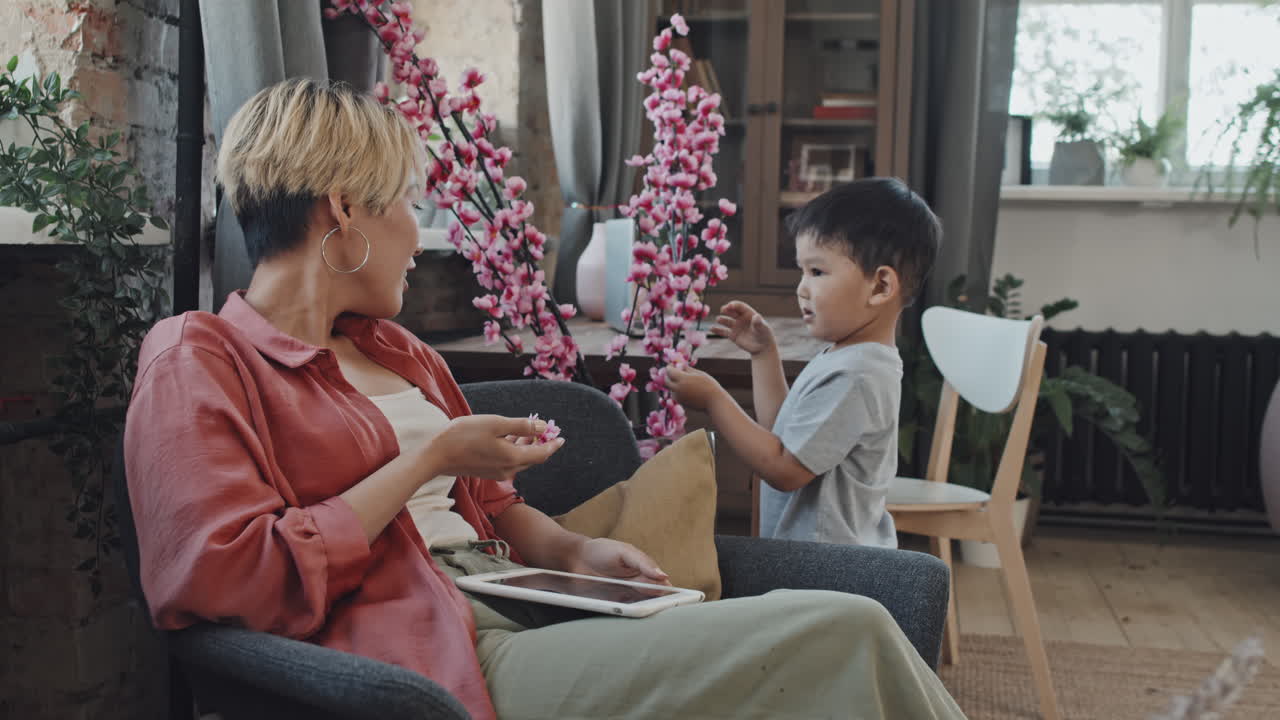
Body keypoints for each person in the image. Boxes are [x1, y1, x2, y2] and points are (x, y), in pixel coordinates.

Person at [124, 79, 965, 720]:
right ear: (343, 211)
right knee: (844, 630)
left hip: (521, 599)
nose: (420, 236)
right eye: (409, 206)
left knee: (828, 629)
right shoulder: (198, 358)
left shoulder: (399, 351)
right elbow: (219, 579)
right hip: (428, 652)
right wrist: (428, 457)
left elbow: (491, 506)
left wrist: (575, 556)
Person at [668, 179, 940, 548]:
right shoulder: (845, 357)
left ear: (880, 287)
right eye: (801, 271)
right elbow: (785, 435)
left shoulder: (856, 375)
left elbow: (783, 469)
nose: (801, 288)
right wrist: (764, 355)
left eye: (817, 272)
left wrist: (715, 400)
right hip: (814, 560)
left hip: (828, 568)